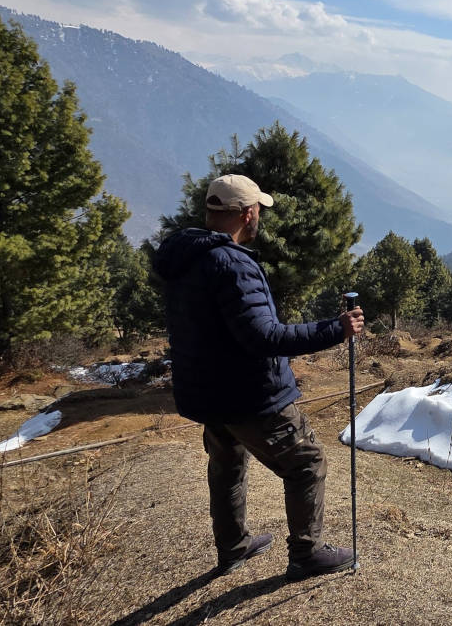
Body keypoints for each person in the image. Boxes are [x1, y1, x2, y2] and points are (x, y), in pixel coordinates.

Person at [152, 173, 364, 580]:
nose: (260, 218)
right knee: (307, 462)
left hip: (207, 391)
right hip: (248, 393)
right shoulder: (231, 265)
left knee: (227, 463)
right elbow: (263, 337)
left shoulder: (185, 259)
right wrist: (337, 329)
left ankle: (233, 547)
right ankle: (307, 553)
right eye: (259, 211)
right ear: (247, 213)